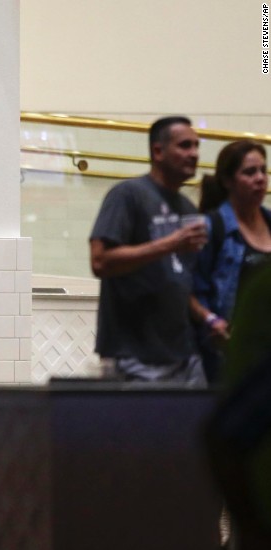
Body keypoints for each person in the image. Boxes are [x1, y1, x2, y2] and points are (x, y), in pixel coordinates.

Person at [89, 115, 207, 385]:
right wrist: (171, 243)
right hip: (136, 357)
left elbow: (180, 281)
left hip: (183, 356)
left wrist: (208, 319)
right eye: (185, 145)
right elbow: (100, 261)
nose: (194, 154)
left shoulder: (187, 208)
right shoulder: (128, 195)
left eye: (196, 146)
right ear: (158, 151)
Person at [190, 140, 271, 384]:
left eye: (263, 171)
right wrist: (211, 321)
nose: (260, 178)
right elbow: (189, 289)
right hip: (226, 354)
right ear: (227, 181)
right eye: (249, 172)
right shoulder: (211, 227)